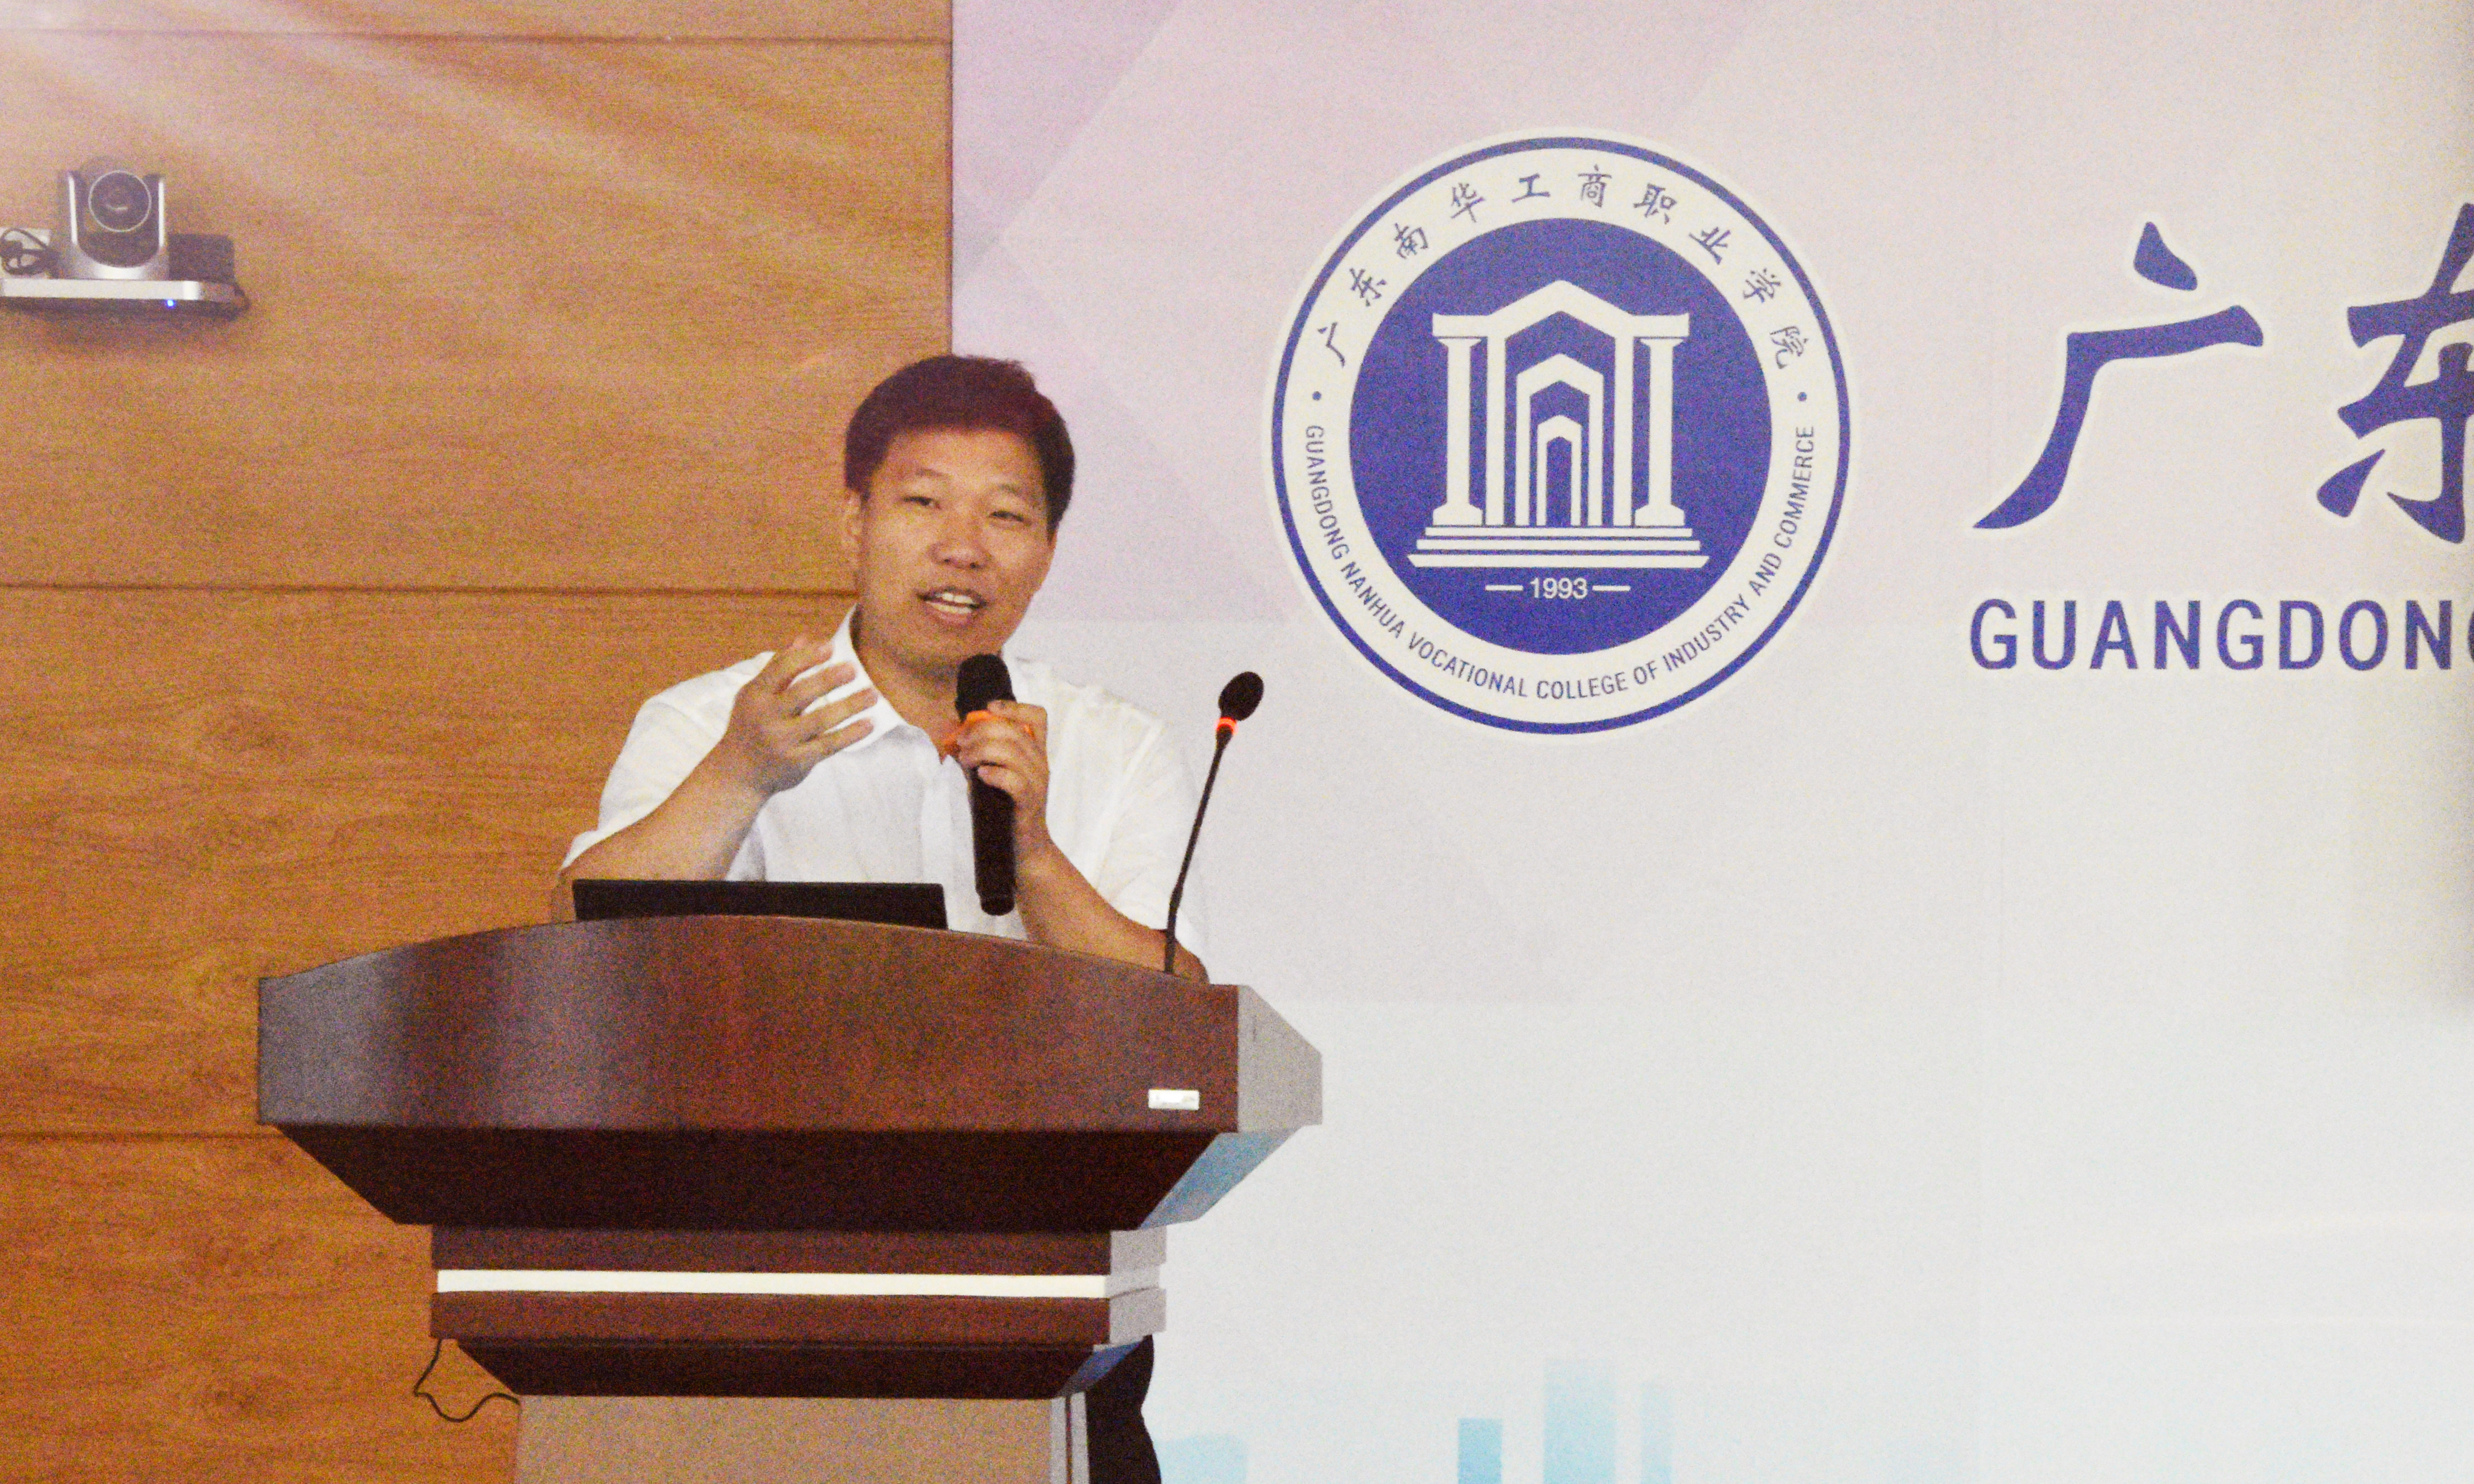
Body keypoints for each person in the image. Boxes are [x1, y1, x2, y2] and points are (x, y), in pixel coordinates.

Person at [561, 355, 1207, 980]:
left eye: (1005, 515)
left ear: (1047, 553)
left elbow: (1182, 1012)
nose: (962, 548)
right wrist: (738, 775)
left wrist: (1034, 855)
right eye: (924, 501)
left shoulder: (1122, 748)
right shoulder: (715, 723)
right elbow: (570, 940)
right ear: (855, 525)